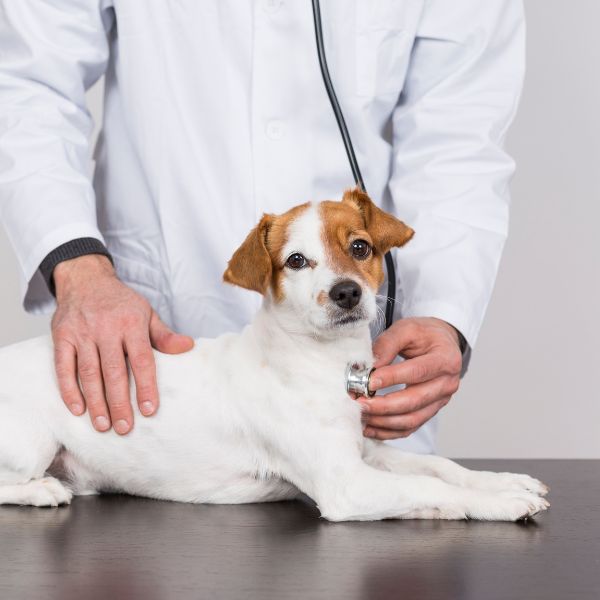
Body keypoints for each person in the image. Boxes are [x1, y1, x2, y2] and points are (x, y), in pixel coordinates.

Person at [0, 1, 524, 454]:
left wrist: (443, 316)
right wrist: (78, 268)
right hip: (160, 356)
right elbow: (29, 84)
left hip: (356, 372)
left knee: (361, 540)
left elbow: (458, 141)